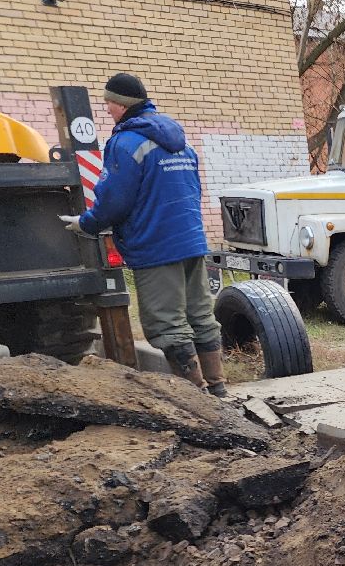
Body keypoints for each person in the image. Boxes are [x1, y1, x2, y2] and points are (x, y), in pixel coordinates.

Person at [60, 73, 225, 395]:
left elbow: (114, 200)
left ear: (122, 104)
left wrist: (86, 223)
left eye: (109, 102)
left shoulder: (125, 143)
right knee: (200, 315)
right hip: (191, 240)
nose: (107, 109)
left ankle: (195, 398)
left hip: (155, 245)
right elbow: (193, 190)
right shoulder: (180, 141)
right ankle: (218, 390)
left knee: (167, 324)